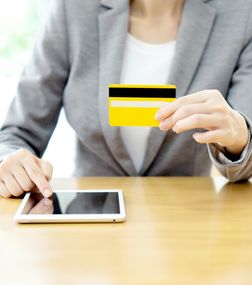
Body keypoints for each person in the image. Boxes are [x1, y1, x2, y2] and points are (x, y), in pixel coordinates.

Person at [0, 0, 252, 199]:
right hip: (91, 220)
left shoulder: (242, 15)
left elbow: (245, 165)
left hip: (187, 221)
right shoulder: (73, 8)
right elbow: (15, 134)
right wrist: (10, 163)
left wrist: (239, 136)